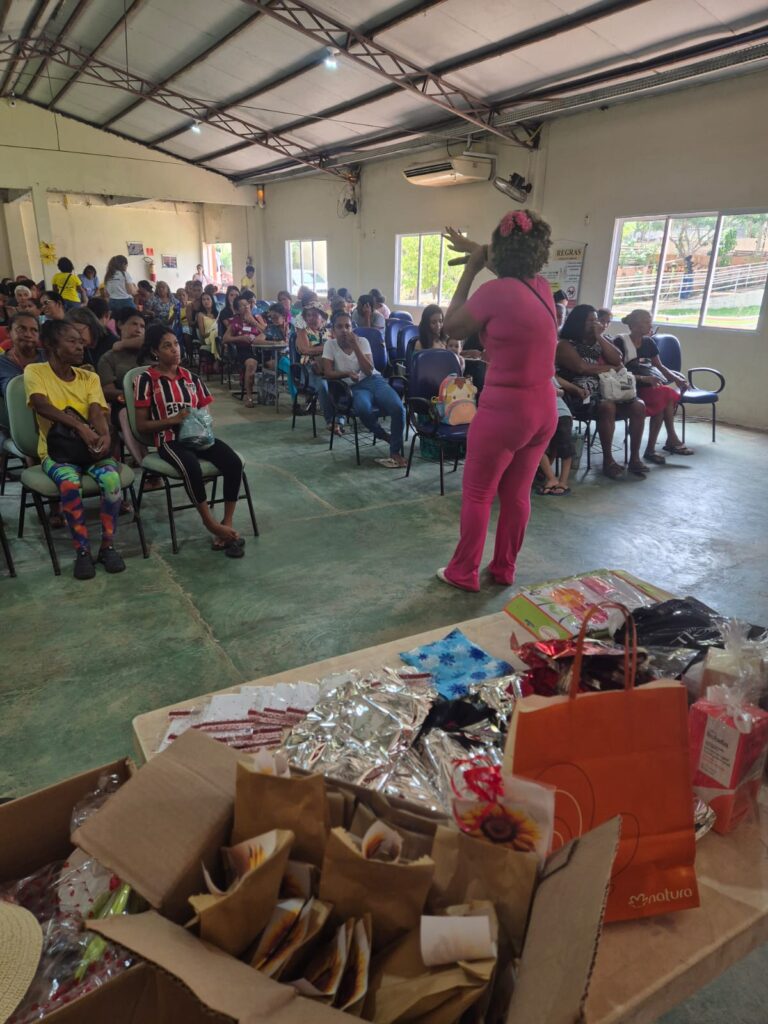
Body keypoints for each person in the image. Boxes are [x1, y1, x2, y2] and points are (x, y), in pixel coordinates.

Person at [436, 211, 560, 593]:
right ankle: (504, 568)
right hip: (544, 408)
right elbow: (508, 269)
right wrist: (476, 249)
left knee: (478, 493)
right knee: (517, 494)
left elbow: (450, 327)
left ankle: (463, 571)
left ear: (499, 249)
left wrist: (470, 269)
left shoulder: (494, 292)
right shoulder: (541, 287)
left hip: (506, 410)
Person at [25, 320, 125, 579]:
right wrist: (81, 428)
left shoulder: (89, 377)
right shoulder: (35, 372)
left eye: (81, 341)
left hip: (91, 450)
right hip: (57, 453)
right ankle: (82, 550)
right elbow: (41, 405)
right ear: (51, 345)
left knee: (112, 481)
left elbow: (96, 410)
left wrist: (104, 435)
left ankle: (107, 546)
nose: (80, 346)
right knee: (70, 485)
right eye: (72, 341)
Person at [134, 324, 245, 556]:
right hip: (169, 441)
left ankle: (227, 523)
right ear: (154, 351)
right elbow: (142, 425)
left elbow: (206, 411)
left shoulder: (191, 378)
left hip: (199, 438)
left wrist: (202, 424)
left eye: (176, 344)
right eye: (167, 346)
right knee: (191, 467)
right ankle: (210, 523)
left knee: (233, 462)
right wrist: (173, 420)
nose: (175, 349)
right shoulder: (146, 380)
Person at [556, 304, 648, 479]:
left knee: (639, 406)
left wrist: (600, 337)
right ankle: (608, 461)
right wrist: (610, 368)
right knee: (607, 406)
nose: (595, 324)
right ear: (578, 323)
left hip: (610, 390)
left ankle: (635, 458)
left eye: (596, 320)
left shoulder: (601, 341)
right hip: (580, 394)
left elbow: (618, 360)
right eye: (590, 321)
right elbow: (582, 368)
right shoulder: (565, 344)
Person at [322, 310, 406, 468]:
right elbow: (328, 373)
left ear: (352, 328)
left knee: (398, 408)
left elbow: (368, 370)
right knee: (363, 409)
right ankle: (382, 434)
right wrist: (347, 373)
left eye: (347, 326)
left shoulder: (362, 341)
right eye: (339, 327)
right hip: (354, 387)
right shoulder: (330, 345)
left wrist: (355, 346)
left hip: (374, 380)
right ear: (333, 330)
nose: (344, 330)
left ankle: (394, 452)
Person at [615, 309, 694, 461]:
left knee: (663, 399)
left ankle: (661, 444)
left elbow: (660, 366)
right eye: (646, 322)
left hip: (650, 387)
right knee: (665, 396)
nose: (650, 325)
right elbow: (618, 372)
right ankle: (664, 442)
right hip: (630, 386)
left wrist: (676, 379)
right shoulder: (620, 341)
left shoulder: (649, 342)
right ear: (635, 325)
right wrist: (644, 378)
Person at [295, 302, 335, 432]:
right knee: (323, 386)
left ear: (322, 317)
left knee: (343, 383)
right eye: (308, 315)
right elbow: (305, 349)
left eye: (314, 315)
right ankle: (331, 421)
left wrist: (318, 349)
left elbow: (339, 348)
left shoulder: (330, 333)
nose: (311, 318)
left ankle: (340, 418)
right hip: (309, 370)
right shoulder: (303, 333)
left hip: (329, 367)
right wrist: (327, 348)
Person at [536, 376, 580, 496]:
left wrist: (550, 391)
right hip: (540, 415)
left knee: (565, 448)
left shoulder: (547, 373)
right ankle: (551, 479)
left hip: (560, 413)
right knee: (537, 447)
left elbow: (560, 391)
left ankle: (563, 482)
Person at [196, 291, 221, 360]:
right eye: (203, 300)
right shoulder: (200, 315)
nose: (206, 301)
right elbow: (202, 334)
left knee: (218, 336)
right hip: (207, 338)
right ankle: (217, 359)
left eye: (208, 299)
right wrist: (212, 332)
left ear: (212, 300)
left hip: (218, 336)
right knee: (214, 334)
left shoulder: (218, 314)